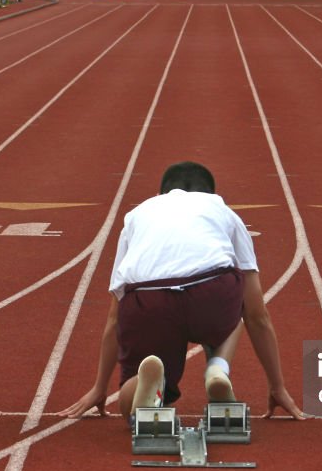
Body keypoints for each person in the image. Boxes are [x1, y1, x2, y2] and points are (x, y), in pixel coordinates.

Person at [60, 162, 306, 423]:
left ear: (159, 195)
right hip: (210, 293)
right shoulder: (223, 212)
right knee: (239, 304)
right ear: (212, 195)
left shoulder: (137, 215)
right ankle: (217, 369)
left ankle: (147, 383)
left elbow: (115, 316)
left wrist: (100, 387)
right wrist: (277, 386)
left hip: (148, 300)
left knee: (128, 403)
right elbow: (258, 315)